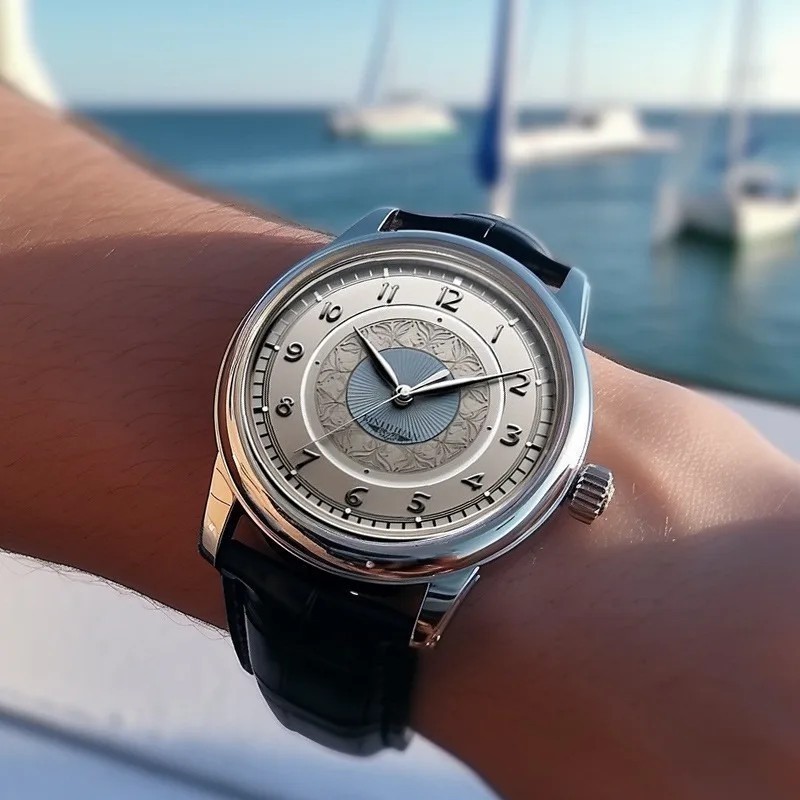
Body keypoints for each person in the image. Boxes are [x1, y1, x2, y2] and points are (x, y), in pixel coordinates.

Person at [1, 83, 799, 800]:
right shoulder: (247, 481)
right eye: (403, 384)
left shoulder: (463, 556)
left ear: (574, 485)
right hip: (284, 499)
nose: (407, 394)